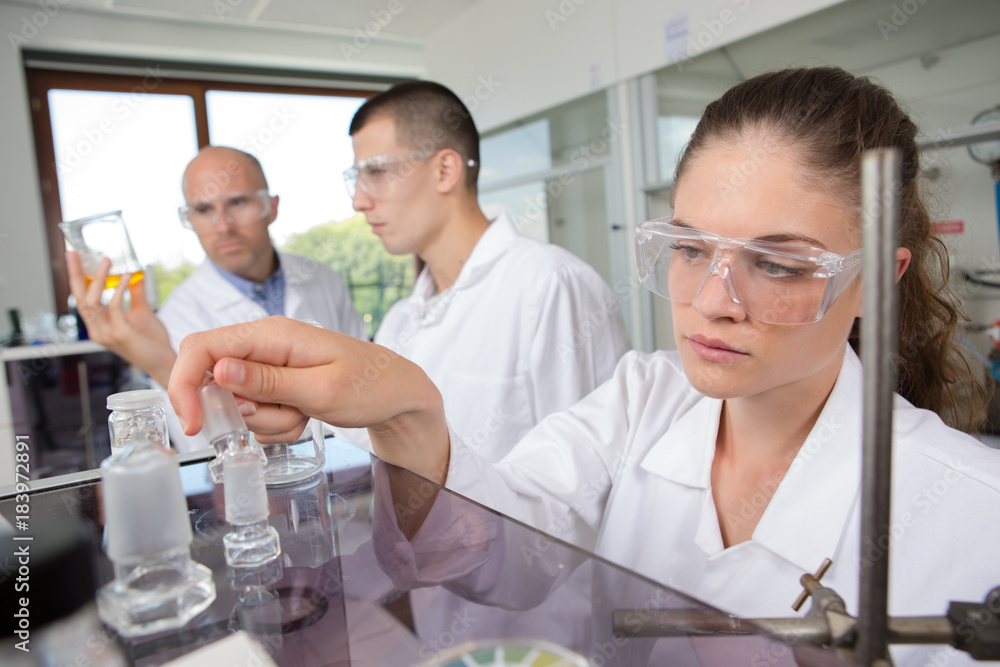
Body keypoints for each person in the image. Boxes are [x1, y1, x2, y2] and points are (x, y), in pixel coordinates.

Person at [169, 67, 1000, 666]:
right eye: (688, 248)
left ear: (876, 284)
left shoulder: (972, 514)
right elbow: (511, 550)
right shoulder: (645, 398)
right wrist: (407, 411)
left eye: (779, 265)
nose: (714, 300)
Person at [343, 80, 631, 462]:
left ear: (445, 170)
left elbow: (594, 466)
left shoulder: (549, 284)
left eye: (377, 172)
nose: (359, 201)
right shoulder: (399, 322)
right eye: (356, 178)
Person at [68, 146, 364, 451]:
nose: (223, 226)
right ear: (189, 219)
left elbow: (364, 387)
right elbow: (204, 452)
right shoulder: (177, 317)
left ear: (271, 208)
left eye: (238, 202)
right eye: (203, 210)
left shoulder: (323, 280)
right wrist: (161, 366)